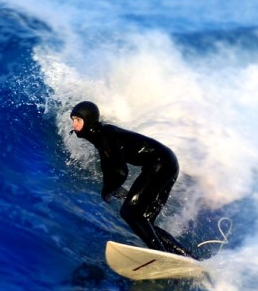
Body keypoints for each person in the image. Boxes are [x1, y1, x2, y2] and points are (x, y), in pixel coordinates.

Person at [69, 100, 194, 257]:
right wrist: (114, 189)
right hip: (168, 162)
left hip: (161, 163)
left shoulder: (105, 135)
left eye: (78, 120)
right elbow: (110, 168)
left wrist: (108, 189)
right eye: (73, 120)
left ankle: (160, 255)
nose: (74, 125)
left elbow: (121, 172)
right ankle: (186, 256)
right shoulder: (103, 136)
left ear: (89, 121)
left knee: (130, 212)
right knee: (145, 221)